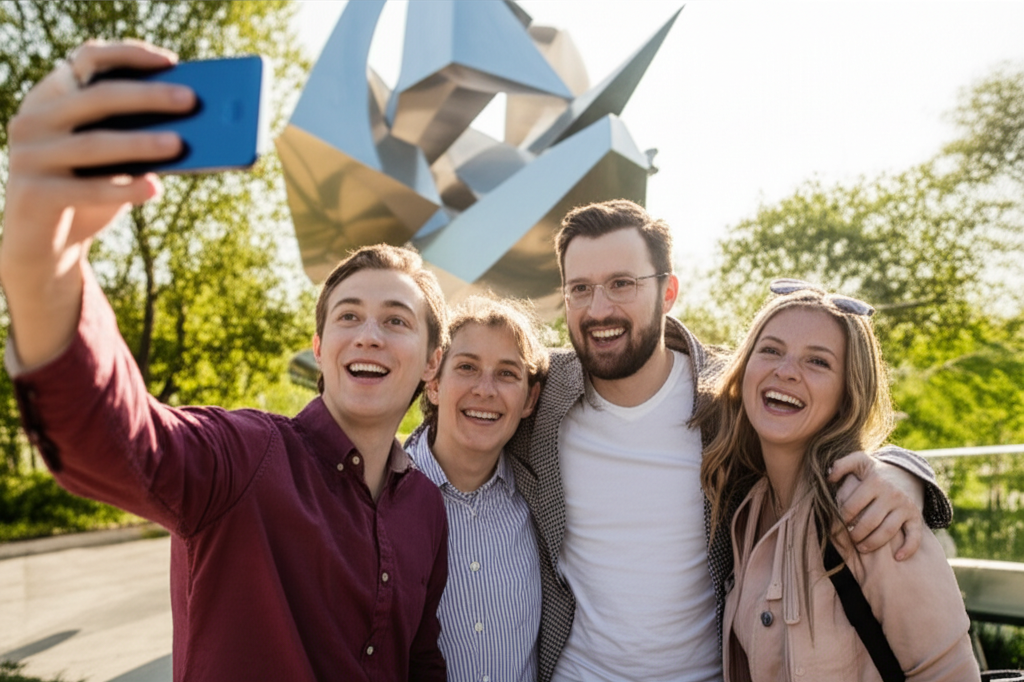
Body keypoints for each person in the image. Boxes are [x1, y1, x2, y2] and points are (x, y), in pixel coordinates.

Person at [1, 41, 449, 681]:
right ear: (319, 350)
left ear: (432, 363)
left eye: (396, 321)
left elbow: (419, 658)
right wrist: (42, 261)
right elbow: (116, 439)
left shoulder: (426, 509)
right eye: (347, 315)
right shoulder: (246, 456)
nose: (369, 334)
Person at [505, 199, 953, 682]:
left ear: (668, 291)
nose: (599, 309)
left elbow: (825, 431)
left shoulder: (729, 397)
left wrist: (901, 471)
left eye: (621, 284)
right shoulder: (540, 394)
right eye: (580, 289)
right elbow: (457, 416)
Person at [697, 280, 979, 681]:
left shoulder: (870, 513)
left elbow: (948, 673)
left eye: (818, 362)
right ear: (744, 370)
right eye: (771, 350)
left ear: (848, 393)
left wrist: (905, 475)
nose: (785, 371)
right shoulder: (746, 508)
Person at [405, 295, 548, 682]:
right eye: (467, 367)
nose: (485, 390)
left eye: (507, 374)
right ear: (432, 383)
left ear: (529, 399)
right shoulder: (382, 495)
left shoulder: (539, 503)